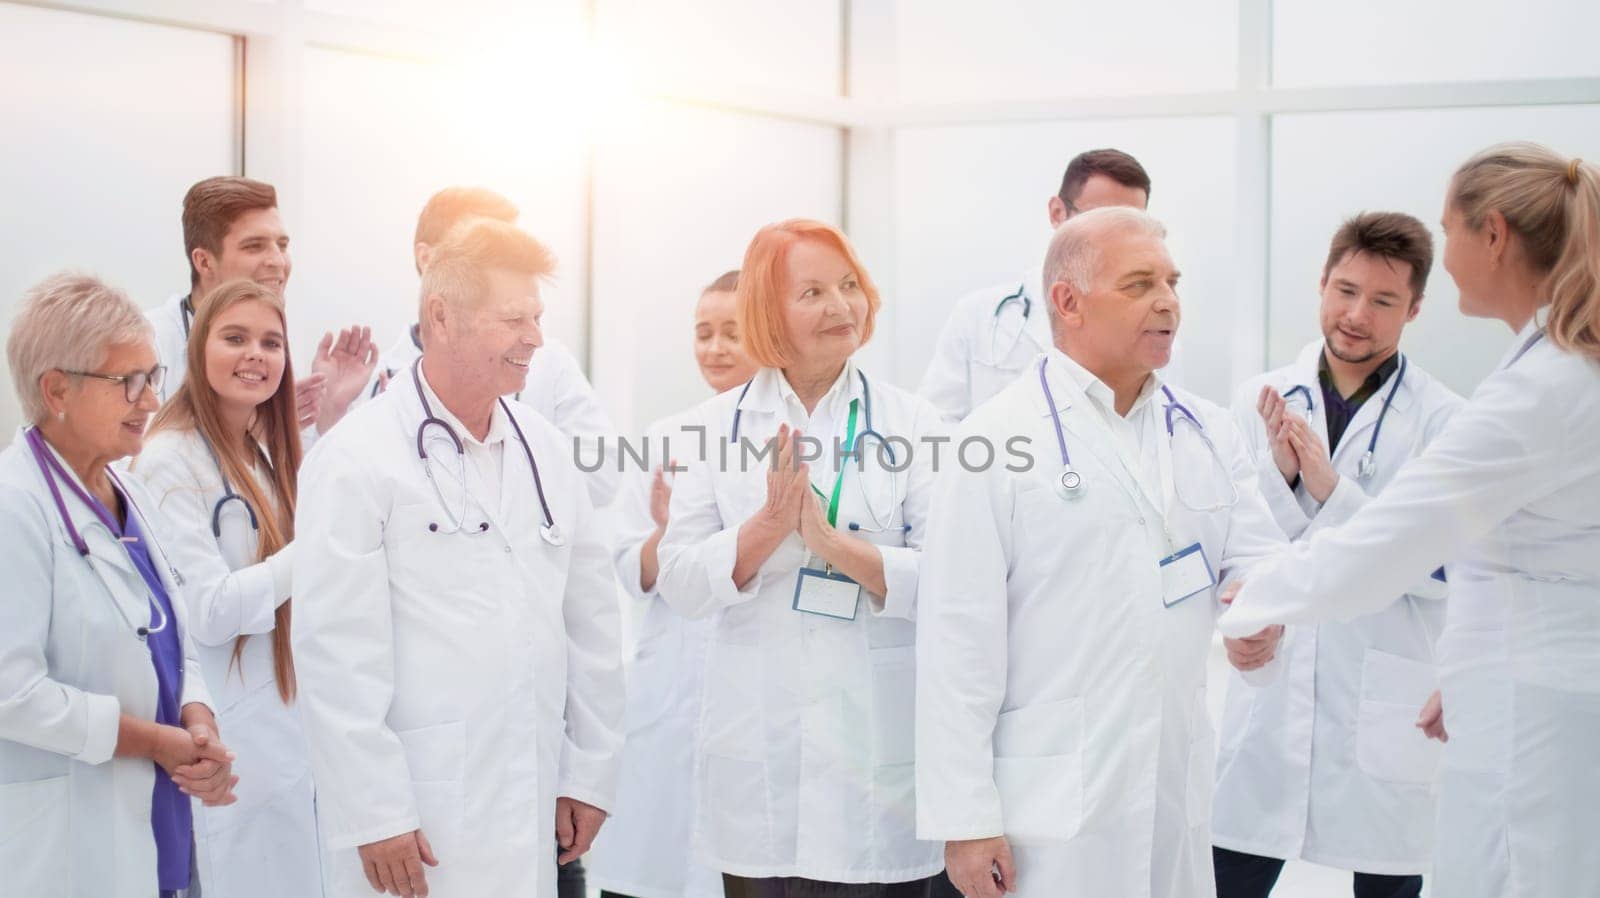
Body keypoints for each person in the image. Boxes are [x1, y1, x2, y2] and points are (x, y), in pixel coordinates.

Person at [1220, 144, 1600, 898]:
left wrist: (1252, 600)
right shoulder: (1552, 369)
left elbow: (1392, 550)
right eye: (1346, 291)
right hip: (1512, 689)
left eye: (1449, 226)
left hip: (1526, 710)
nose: (1358, 314)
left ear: (1491, 236)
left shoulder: (1536, 391)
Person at [915, 208, 1287, 898]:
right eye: (1140, 284)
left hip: (1170, 778)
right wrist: (964, 820)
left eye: (1172, 282)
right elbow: (955, 643)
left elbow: (1254, 552)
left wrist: (1257, 608)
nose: (1168, 302)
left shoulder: (1207, 429)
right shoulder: (993, 438)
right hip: (1048, 801)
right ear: (1068, 302)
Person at [292, 219, 625, 898]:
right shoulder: (356, 458)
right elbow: (335, 650)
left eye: (537, 317)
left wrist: (589, 775)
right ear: (440, 317)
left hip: (530, 800)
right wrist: (374, 810)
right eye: (513, 319)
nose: (535, 337)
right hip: (414, 816)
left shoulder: (545, 450)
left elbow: (592, 622)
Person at [656, 220, 947, 897]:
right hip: (760, 758)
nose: (841, 307)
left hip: (876, 762)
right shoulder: (708, 429)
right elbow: (680, 584)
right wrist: (765, 527)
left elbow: (949, 582)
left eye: (850, 286)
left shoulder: (917, 424)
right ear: (767, 311)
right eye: (812, 292)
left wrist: (829, 543)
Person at [1210, 213, 1464, 898]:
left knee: (1386, 876)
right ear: (1321, 283)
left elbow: (1442, 570)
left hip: (1382, 699)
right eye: (1345, 290)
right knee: (1228, 871)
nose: (1357, 315)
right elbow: (1235, 542)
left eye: (1383, 301)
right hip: (1270, 702)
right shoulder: (1256, 402)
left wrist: (1329, 487)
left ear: (1414, 309)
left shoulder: (1443, 420)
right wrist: (1289, 482)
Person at [1, 273, 236, 898]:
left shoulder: (127, 488)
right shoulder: (14, 507)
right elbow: (11, 693)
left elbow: (171, 637)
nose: (151, 400)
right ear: (56, 390)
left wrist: (198, 720)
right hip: (70, 846)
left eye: (154, 376)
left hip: (160, 818)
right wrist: (156, 742)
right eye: (127, 382)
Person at [133, 279, 322, 897]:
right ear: (197, 347)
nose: (256, 355)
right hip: (226, 742)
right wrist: (317, 549)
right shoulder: (169, 458)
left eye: (272, 342)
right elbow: (208, 612)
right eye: (235, 338)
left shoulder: (260, 452)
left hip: (281, 740)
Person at [589, 270, 758, 898]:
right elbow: (632, 569)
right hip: (677, 674)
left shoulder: (800, 437)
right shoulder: (663, 439)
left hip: (756, 673)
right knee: (661, 864)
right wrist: (668, 533)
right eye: (704, 333)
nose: (714, 348)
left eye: (732, 333)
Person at [363, 185, 619, 507]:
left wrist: (504, 459)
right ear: (427, 259)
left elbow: (604, 473)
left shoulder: (549, 362)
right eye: (480, 244)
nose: (503, 262)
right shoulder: (374, 381)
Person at [918, 148, 1168, 422]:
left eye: (1130, 225)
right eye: (1098, 220)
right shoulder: (977, 317)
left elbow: (1156, 425)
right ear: (1057, 213)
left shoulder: (1153, 328)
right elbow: (935, 427)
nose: (1116, 239)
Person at [149, 175, 378, 436]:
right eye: (254, 246)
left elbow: (302, 470)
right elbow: (132, 465)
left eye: (282, 245)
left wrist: (329, 410)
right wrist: (247, 427)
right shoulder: (150, 346)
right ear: (204, 262)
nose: (278, 261)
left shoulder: (282, 354)